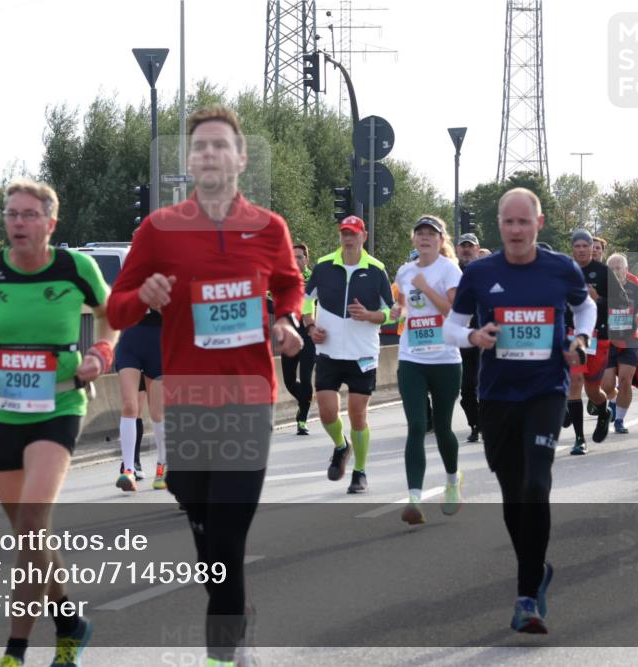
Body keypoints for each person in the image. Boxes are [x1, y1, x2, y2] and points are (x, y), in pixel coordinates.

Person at [107, 105, 304, 667]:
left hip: (247, 401)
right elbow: (116, 307)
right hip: (187, 403)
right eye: (200, 147)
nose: (210, 154)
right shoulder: (158, 230)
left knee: (227, 539)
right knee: (199, 519)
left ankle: (224, 651)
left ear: (240, 157)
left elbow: (289, 285)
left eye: (221, 145)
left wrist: (285, 320)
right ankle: (232, 612)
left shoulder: (270, 229)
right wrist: (141, 299)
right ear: (190, 162)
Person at [0, 178, 117, 667]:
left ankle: (14, 651)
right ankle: (69, 623)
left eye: (27, 215)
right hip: (2, 409)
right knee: (27, 534)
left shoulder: (74, 267)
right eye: (10, 214)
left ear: (50, 223)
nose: (17, 223)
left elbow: (111, 314)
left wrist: (101, 352)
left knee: (33, 521)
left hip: (60, 407)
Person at [443, 187, 595, 634]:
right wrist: (474, 338)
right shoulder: (480, 273)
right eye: (508, 222)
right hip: (496, 395)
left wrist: (579, 340)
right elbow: (452, 327)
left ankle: (527, 595)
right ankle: (536, 568)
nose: (515, 230)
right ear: (500, 225)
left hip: (546, 389)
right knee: (513, 495)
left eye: (523, 222)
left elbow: (584, 310)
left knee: (535, 481)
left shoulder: (560, 269)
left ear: (538, 224)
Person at [304, 215, 394, 494]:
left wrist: (370, 315)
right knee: (327, 411)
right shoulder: (323, 266)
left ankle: (360, 471)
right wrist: (310, 326)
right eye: (344, 232)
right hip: (328, 351)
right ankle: (342, 447)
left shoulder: (377, 270)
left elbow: (391, 313)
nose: (348, 238)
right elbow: (305, 302)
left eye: (354, 233)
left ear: (363, 236)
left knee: (358, 415)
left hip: (362, 354)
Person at [391, 217, 464, 525]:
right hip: (412, 358)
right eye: (419, 233)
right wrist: (399, 311)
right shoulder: (405, 271)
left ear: (440, 240)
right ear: (414, 240)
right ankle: (414, 499)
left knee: (444, 428)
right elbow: (406, 305)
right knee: (417, 426)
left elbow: (452, 311)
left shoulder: (449, 269)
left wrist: (426, 288)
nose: (424, 238)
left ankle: (452, 480)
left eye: (430, 234)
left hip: (445, 358)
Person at [563, 229, 629, 454]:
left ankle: (603, 411)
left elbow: (622, 303)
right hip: (572, 336)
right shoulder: (565, 272)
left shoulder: (603, 272)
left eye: (585, 246)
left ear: (593, 248)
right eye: (577, 246)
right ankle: (579, 439)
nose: (581, 250)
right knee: (574, 383)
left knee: (593, 391)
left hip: (598, 337)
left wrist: (598, 299)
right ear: (572, 248)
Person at [114, 307, 165, 492]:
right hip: (130, 341)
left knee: (157, 413)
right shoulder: (129, 278)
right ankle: (128, 470)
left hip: (158, 342)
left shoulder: (167, 278)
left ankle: (162, 466)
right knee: (129, 405)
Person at [602, 254, 638, 433]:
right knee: (606, 385)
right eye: (611, 268)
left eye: (618, 267)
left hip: (629, 339)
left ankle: (619, 420)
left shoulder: (636, 289)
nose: (615, 271)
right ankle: (613, 401)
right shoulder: (601, 289)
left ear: (626, 270)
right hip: (608, 340)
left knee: (626, 379)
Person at [282, 243, 316, 435]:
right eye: (292, 257)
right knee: (288, 381)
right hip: (289, 335)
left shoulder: (314, 279)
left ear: (307, 259)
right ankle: (305, 400)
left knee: (305, 379)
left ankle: (302, 420)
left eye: (300, 257)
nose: (296, 261)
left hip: (308, 335)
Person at [456, 233, 482, 442]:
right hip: (461, 340)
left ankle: (486, 423)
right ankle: (475, 424)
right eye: (463, 246)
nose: (466, 250)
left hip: (484, 337)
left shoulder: (487, 271)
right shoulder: (451, 271)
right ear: (457, 249)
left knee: (485, 384)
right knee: (466, 388)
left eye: (470, 246)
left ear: (477, 248)